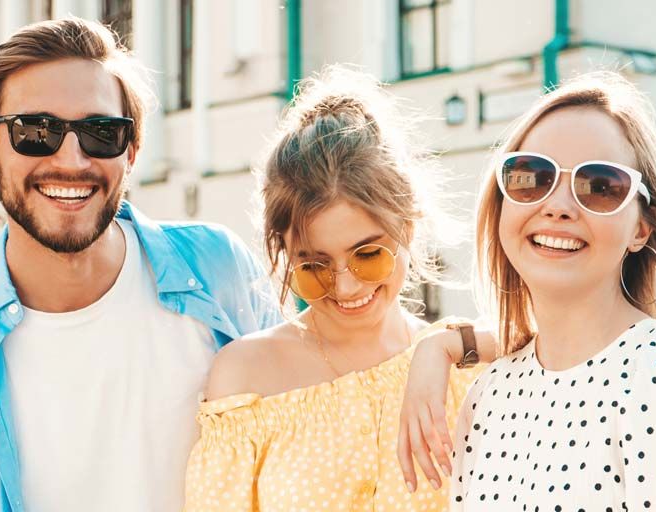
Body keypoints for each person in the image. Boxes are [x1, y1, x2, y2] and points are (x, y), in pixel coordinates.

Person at [0, 18, 278, 512]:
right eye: (37, 131)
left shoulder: (219, 271)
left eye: (101, 132)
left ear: (132, 151)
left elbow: (314, 417)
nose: (73, 160)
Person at [398, 71, 656, 511]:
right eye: (531, 176)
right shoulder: (489, 395)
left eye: (601, 186)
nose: (558, 206)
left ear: (641, 229)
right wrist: (440, 345)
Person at [183, 66, 482, 511]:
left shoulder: (463, 368)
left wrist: (451, 344)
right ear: (283, 250)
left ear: (408, 225)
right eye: (314, 265)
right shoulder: (244, 377)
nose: (344, 286)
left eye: (368, 255)